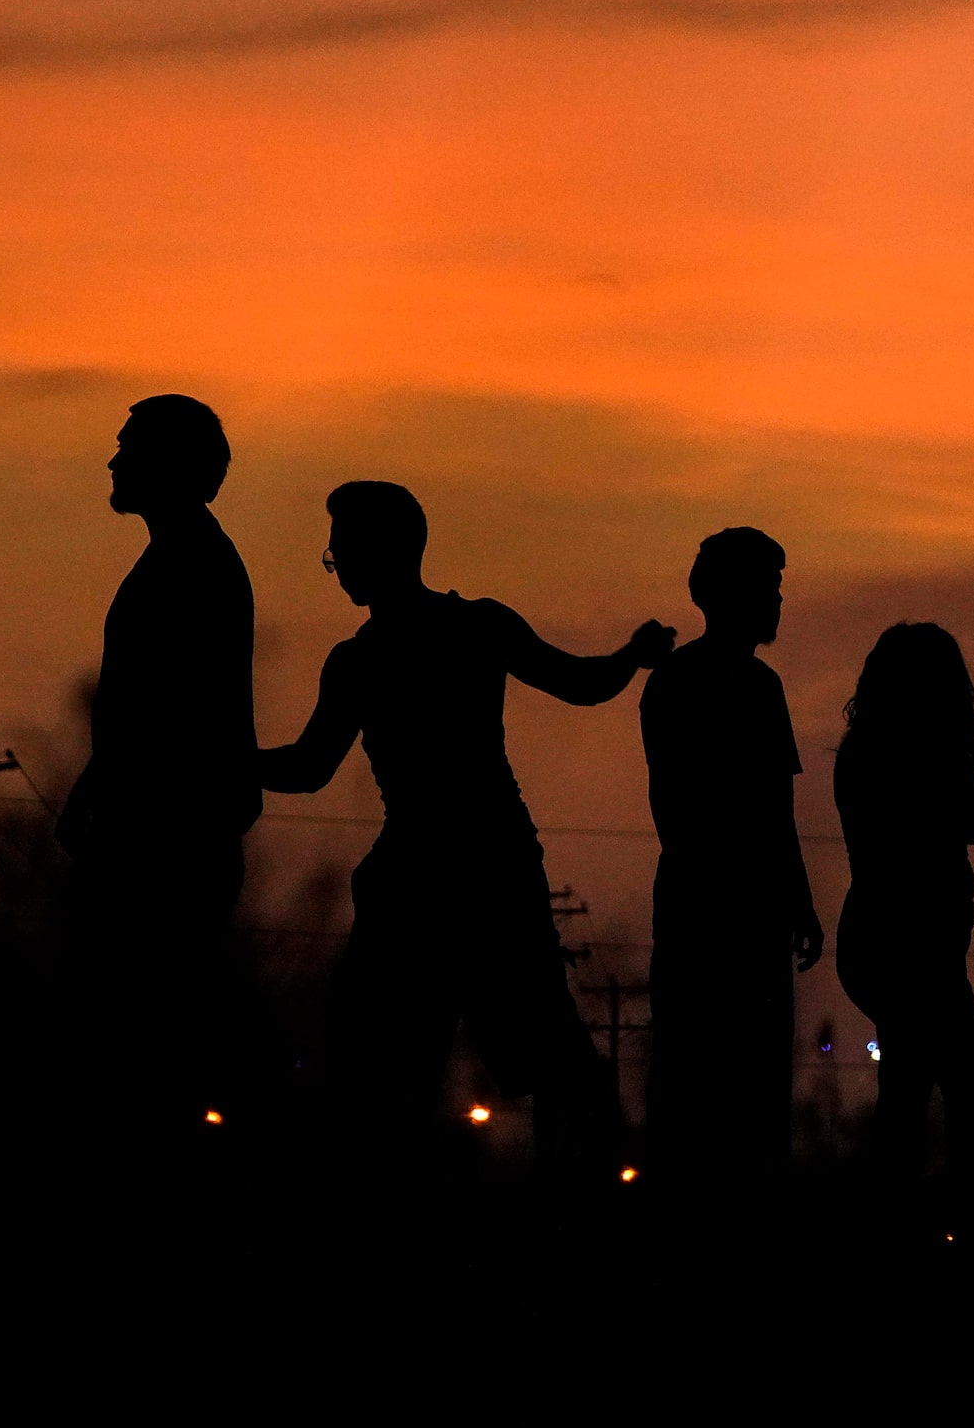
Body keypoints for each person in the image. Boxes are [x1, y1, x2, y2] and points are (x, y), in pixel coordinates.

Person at [259, 481, 673, 1172]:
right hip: (482, 863)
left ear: (384, 551)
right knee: (538, 1049)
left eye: (342, 550)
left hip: (438, 875)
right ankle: (626, 1190)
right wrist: (629, 657)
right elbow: (581, 683)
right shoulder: (471, 629)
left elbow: (306, 767)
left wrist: (218, 759)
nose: (338, 564)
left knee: (393, 1065)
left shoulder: (366, 659)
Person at [56, 394, 260, 1128]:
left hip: (166, 837)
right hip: (158, 826)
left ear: (170, 465)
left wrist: (109, 790)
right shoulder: (181, 558)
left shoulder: (191, 564)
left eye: (129, 447)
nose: (113, 461)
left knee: (147, 1049)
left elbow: (170, 709)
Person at [639, 527, 821, 1185]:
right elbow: (720, 811)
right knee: (717, 1083)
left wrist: (794, 900)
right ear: (727, 595)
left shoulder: (730, 684)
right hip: (717, 912)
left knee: (724, 1085)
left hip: (731, 909)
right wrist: (787, 897)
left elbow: (775, 810)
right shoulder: (700, 685)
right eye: (766, 589)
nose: (776, 603)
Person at [833, 622, 974, 1177]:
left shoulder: (869, 750)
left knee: (916, 1082)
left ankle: (908, 1222)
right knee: (961, 1078)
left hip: (899, 945)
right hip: (907, 947)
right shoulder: (901, 755)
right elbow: (971, 820)